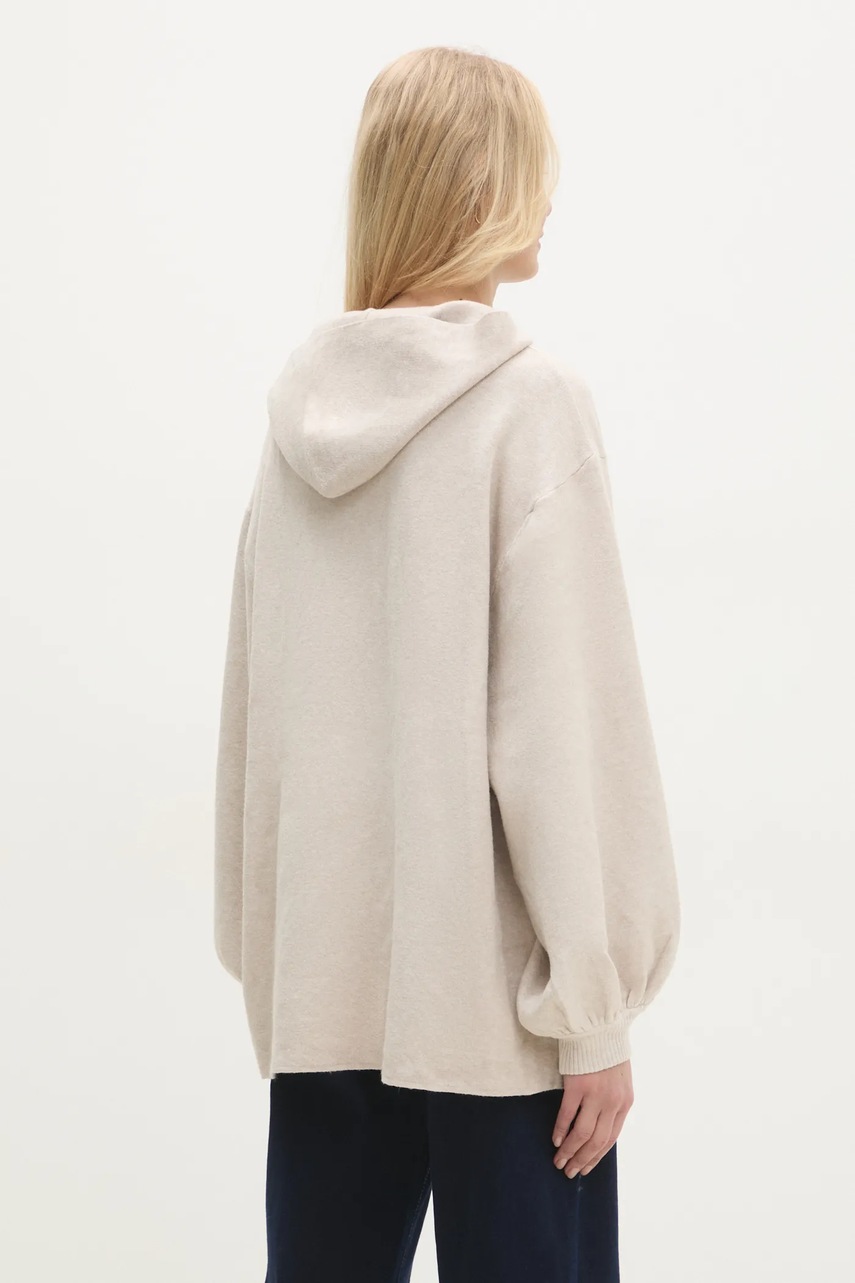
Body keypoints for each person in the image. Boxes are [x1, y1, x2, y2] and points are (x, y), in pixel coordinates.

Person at [214, 43, 681, 1283]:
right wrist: (593, 1008)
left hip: (325, 997)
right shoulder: (529, 404)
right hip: (498, 1009)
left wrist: (277, 960)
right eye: (534, 168)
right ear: (480, 188)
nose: (551, 196)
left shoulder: (292, 425)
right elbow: (560, 727)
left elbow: (257, 720)